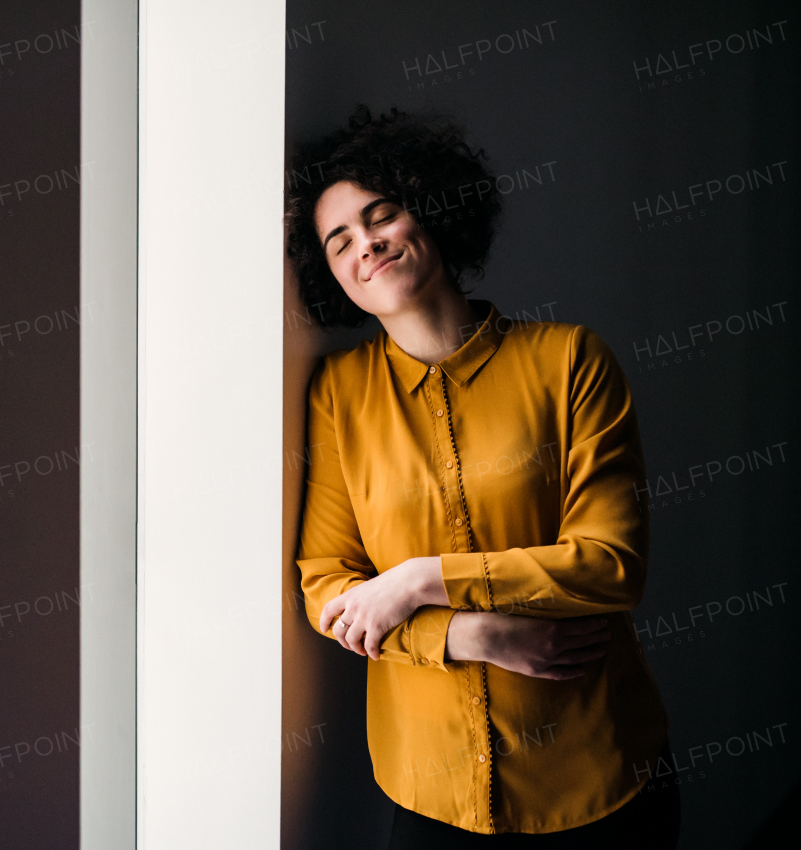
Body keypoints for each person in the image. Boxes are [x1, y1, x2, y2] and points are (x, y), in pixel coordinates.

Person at [287, 106, 677, 848]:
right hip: (431, 793)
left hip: (599, 779)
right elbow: (327, 588)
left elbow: (611, 565)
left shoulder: (570, 361)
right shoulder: (337, 395)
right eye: (339, 241)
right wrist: (471, 635)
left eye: (381, 216)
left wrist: (418, 580)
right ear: (331, 273)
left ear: (430, 212)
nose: (365, 244)